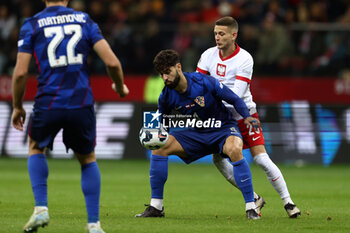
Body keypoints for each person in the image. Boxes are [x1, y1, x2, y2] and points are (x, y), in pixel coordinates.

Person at [11, 1, 129, 232]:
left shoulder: (32, 24)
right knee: (87, 159)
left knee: (36, 147)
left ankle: (41, 208)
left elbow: (21, 72)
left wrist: (17, 106)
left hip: (48, 101)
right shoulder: (84, 20)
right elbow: (112, 62)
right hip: (81, 101)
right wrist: (120, 86)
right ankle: (94, 224)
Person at [136, 49, 261, 220]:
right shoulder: (165, 96)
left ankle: (251, 207)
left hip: (222, 129)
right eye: (161, 74)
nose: (165, 78)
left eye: (168, 72)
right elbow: (164, 123)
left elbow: (234, 99)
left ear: (178, 67)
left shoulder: (204, 82)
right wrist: (155, 135)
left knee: (234, 149)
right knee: (159, 148)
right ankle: (156, 207)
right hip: (197, 133)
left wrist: (246, 116)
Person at [196, 16, 301, 218]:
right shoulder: (208, 55)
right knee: (218, 160)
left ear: (234, 35)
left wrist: (206, 101)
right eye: (215, 33)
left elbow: (235, 96)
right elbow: (198, 84)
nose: (217, 37)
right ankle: (254, 198)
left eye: (222, 34)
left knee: (261, 159)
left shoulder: (245, 58)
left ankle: (288, 202)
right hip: (220, 118)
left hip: (244, 115)